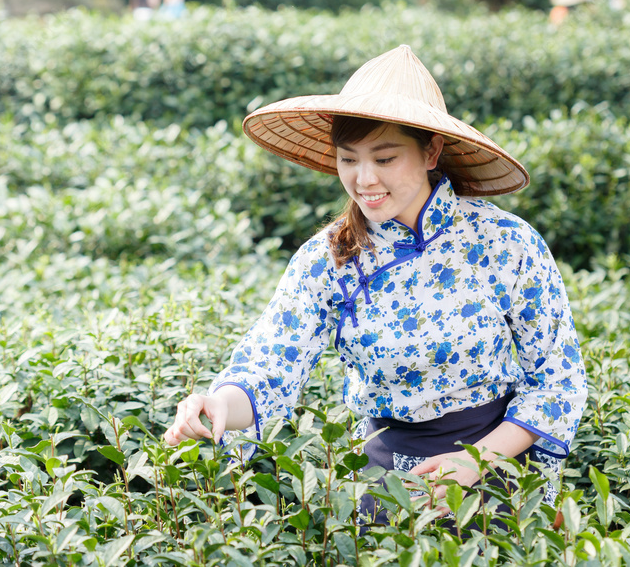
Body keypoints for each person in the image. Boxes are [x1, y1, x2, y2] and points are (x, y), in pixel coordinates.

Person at [163, 45, 588, 526]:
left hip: (496, 466)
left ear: (431, 151)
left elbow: (558, 381)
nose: (364, 180)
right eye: (349, 160)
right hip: (383, 478)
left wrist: (473, 461)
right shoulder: (328, 260)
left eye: (385, 158)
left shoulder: (505, 242)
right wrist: (215, 404)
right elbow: (272, 364)